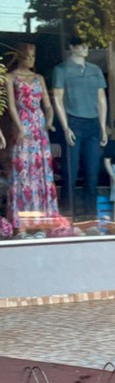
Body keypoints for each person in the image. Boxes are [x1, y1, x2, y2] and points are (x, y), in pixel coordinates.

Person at [2, 41, 65, 239]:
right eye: (28, 56)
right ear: (20, 56)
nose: (31, 60)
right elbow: (11, 106)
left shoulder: (39, 78)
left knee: (40, 172)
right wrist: (20, 127)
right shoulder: (10, 78)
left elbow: (47, 104)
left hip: (38, 127)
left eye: (34, 56)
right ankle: (21, 224)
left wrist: (49, 120)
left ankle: (42, 222)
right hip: (22, 125)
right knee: (22, 171)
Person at [51, 36, 108, 220]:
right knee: (71, 171)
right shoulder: (61, 70)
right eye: (81, 46)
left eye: (86, 46)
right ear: (72, 47)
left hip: (92, 123)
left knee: (92, 172)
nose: (85, 49)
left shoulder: (95, 70)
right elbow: (57, 98)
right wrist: (66, 126)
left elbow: (101, 99)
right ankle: (69, 215)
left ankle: (91, 216)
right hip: (73, 121)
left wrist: (103, 126)